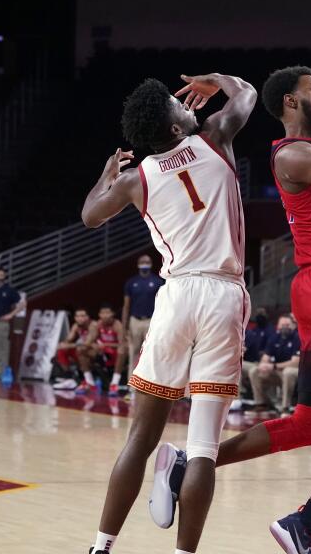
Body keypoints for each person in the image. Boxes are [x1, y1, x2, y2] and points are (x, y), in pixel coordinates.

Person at [149, 45, 311, 554]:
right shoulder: (292, 154)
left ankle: (192, 463)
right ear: (291, 101)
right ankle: (305, 523)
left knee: (310, 422)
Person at [79, 70, 255, 554]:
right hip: (223, 295)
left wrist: (106, 174)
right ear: (177, 129)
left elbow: (90, 215)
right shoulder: (216, 139)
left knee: (140, 437)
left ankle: (101, 547)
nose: (190, 107)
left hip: (176, 295)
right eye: (181, 109)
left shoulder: (137, 180)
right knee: (202, 448)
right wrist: (215, 80)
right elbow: (248, 93)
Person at [248, 314, 301, 414]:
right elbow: (266, 357)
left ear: (293, 326)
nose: (285, 327)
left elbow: (295, 362)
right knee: (254, 370)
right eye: (282, 325)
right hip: (277, 371)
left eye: (287, 324)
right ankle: (261, 404)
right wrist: (263, 364)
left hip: (296, 372)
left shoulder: (297, 337)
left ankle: (285, 407)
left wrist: (274, 366)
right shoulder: (275, 337)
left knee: (288, 372)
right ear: (278, 326)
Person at [121, 255, 164, 369]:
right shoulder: (131, 282)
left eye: (147, 261)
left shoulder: (158, 282)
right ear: (138, 264)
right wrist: (124, 327)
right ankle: (132, 385)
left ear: (151, 263)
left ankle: (149, 384)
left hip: (151, 320)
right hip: (135, 320)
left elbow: (163, 304)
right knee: (133, 351)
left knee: (151, 352)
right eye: (142, 261)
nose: (145, 263)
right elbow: (126, 306)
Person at [76, 304, 126, 396]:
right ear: (99, 315)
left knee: (122, 350)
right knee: (81, 350)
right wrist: (92, 344)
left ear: (112, 314)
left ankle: (114, 383)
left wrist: (106, 345)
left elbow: (122, 344)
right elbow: (90, 340)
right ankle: (89, 382)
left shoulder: (117, 325)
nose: (105, 315)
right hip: (102, 352)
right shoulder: (98, 324)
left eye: (107, 313)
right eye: (103, 313)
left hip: (114, 353)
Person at [54, 308, 97, 389]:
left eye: (82, 316)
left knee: (81, 349)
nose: (79, 318)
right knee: (62, 350)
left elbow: (88, 343)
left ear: (88, 317)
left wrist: (69, 345)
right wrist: (63, 344)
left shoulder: (93, 325)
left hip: (96, 352)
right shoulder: (76, 326)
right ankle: (69, 378)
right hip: (82, 351)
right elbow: (68, 339)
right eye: (77, 316)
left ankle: (90, 382)